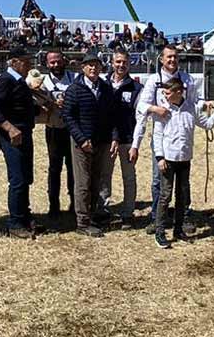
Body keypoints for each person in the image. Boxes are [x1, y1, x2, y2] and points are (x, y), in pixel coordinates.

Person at [131, 45, 206, 233]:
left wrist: (209, 106)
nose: (172, 60)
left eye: (175, 57)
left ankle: (185, 217)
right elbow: (141, 106)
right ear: (161, 60)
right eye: (168, 57)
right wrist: (155, 109)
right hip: (162, 137)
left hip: (181, 138)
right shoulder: (154, 80)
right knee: (158, 180)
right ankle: (157, 219)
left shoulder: (187, 79)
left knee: (183, 182)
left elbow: (195, 103)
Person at [150, 77, 214, 248]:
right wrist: (159, 157)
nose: (165, 95)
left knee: (182, 196)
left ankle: (178, 229)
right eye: (164, 92)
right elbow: (157, 135)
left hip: (184, 159)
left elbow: (207, 124)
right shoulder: (163, 111)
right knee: (165, 195)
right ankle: (160, 232)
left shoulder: (191, 108)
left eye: (168, 93)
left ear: (178, 92)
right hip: (168, 159)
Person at [61, 50, 120, 238]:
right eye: (90, 65)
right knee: (83, 182)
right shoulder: (74, 89)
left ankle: (92, 215)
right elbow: (68, 116)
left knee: (97, 180)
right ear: (83, 68)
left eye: (96, 65)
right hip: (82, 142)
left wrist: (114, 137)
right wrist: (81, 139)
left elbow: (112, 115)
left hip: (101, 140)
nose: (93, 68)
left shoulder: (105, 87)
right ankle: (82, 221)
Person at [0, 47, 40, 238]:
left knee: (25, 176)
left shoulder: (19, 82)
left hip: (24, 132)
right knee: (17, 179)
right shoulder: (5, 80)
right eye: (26, 62)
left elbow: (22, 107)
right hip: (12, 135)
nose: (30, 65)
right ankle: (15, 223)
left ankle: (24, 216)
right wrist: (9, 128)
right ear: (14, 62)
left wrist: (42, 109)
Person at [100, 49, 143, 222]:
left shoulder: (136, 88)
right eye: (118, 61)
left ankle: (127, 212)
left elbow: (140, 117)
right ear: (112, 63)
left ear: (129, 64)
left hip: (127, 139)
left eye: (124, 62)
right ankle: (102, 209)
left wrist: (135, 144)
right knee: (104, 175)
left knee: (129, 176)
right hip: (106, 139)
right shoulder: (103, 84)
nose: (121, 65)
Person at [40, 51, 78, 220]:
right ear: (47, 64)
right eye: (52, 63)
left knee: (73, 168)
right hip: (54, 128)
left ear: (64, 61)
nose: (55, 65)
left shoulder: (75, 78)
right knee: (54, 169)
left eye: (58, 61)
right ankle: (53, 205)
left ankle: (74, 203)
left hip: (72, 130)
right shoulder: (42, 82)